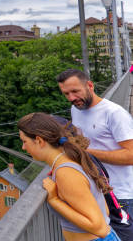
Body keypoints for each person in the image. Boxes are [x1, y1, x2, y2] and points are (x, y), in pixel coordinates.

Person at [57, 68, 133, 240]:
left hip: (121, 195)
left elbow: (131, 156)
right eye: (66, 93)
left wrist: (88, 153)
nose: (71, 98)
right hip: (96, 192)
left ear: (90, 86)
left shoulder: (114, 113)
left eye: (75, 91)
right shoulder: (76, 110)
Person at [18, 112, 119, 241]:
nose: (23, 147)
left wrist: (55, 200)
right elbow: (104, 211)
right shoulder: (72, 158)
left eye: (24, 141)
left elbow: (100, 228)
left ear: (39, 140)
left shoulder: (66, 172)